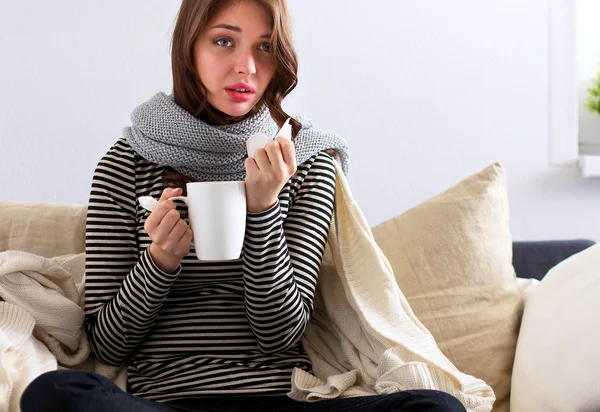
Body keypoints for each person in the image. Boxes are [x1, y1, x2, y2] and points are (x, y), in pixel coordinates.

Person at [21, 1, 466, 411]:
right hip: (166, 403)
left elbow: (279, 336)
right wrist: (159, 262)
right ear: (188, 48)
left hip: (279, 399)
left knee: (437, 408)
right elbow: (107, 346)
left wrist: (264, 209)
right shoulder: (126, 163)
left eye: (266, 47)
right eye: (223, 41)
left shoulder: (306, 161)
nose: (247, 67)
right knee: (53, 393)